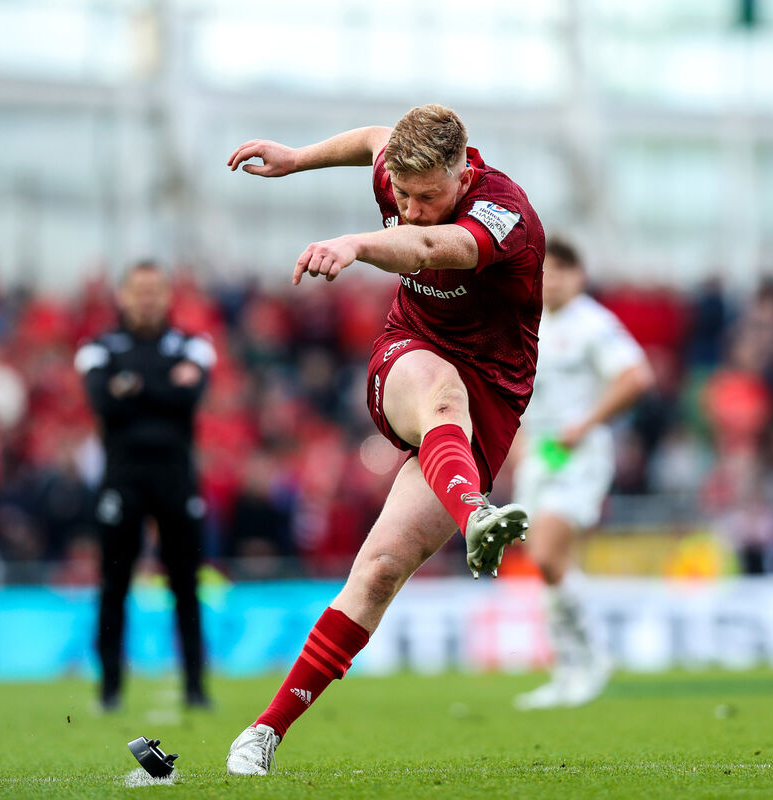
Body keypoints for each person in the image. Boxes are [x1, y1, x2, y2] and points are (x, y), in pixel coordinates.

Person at [223, 105, 544, 776]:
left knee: (378, 573)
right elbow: (373, 138)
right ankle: (477, 515)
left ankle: (263, 732)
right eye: (405, 196)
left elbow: (431, 249)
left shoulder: (503, 216)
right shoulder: (396, 172)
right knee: (439, 392)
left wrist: (360, 244)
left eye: (430, 196)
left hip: (492, 398)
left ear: (464, 169)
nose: (416, 209)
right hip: (410, 355)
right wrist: (295, 157)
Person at [511, 239, 653, 710]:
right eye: (542, 272)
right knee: (546, 566)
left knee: (549, 556)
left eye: (557, 272)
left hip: (578, 454)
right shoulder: (529, 322)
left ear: (578, 275)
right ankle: (568, 669)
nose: (547, 280)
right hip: (540, 453)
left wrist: (585, 426)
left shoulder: (594, 323)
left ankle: (591, 656)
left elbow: (636, 376)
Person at [74, 262, 216, 711]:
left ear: (167, 295)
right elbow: (101, 401)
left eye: (155, 290)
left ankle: (195, 688)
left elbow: (188, 397)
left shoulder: (193, 344)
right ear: (123, 296)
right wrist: (164, 386)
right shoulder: (99, 346)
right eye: (139, 290)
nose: (147, 298)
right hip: (123, 478)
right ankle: (110, 689)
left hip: (176, 476)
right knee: (114, 583)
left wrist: (130, 386)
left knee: (185, 583)